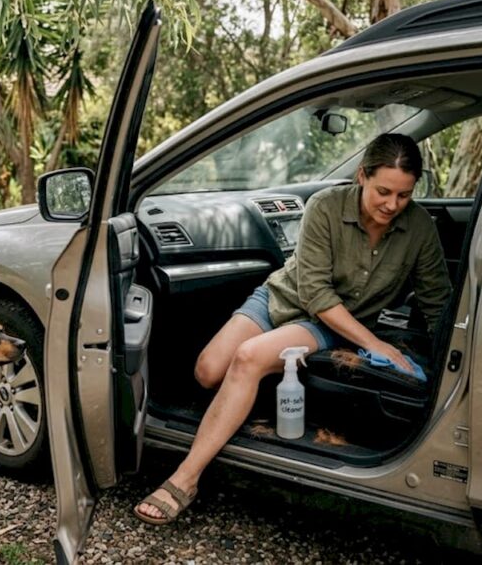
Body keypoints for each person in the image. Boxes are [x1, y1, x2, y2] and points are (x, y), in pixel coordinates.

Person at [133, 133, 452, 525]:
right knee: (208, 371)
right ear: (362, 175)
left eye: (404, 195)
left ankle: (185, 478)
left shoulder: (419, 227)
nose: (392, 205)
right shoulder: (325, 206)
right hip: (282, 297)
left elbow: (438, 302)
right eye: (383, 192)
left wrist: (450, 361)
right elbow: (314, 291)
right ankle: (255, 387)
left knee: (248, 358)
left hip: (334, 322)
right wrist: (376, 345)